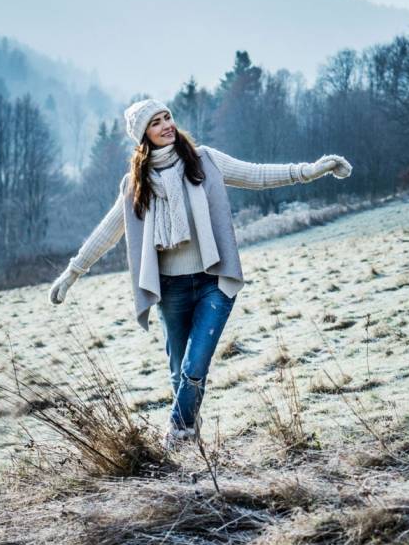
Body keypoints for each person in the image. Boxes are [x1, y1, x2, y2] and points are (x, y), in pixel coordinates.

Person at [48, 97, 352, 450]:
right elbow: (108, 232)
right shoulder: (136, 184)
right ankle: (191, 442)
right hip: (171, 291)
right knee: (180, 374)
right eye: (155, 122)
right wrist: (72, 273)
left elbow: (257, 175)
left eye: (167, 117)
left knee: (195, 367)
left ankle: (175, 435)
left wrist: (310, 170)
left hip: (212, 282)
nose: (166, 125)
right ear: (143, 135)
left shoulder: (204, 160)